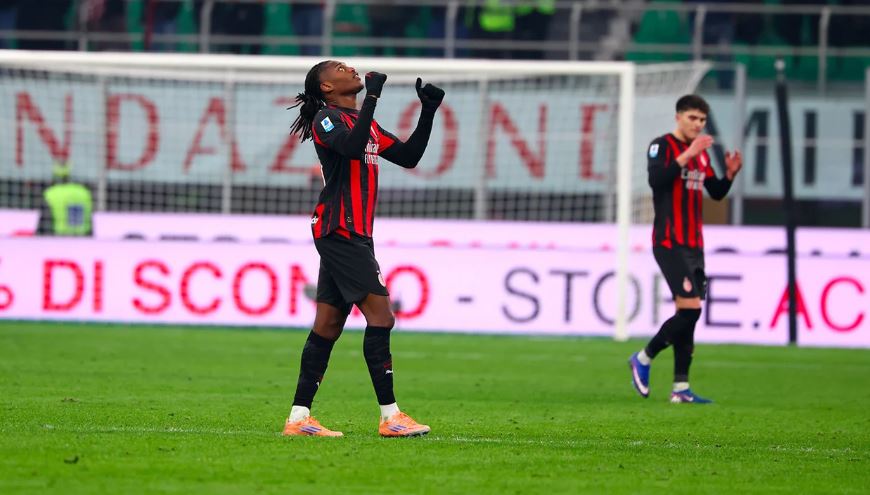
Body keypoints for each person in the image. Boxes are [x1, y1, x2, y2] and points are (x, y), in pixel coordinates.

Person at [282, 60, 444, 437]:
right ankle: (391, 417)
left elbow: (409, 156)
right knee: (382, 317)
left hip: (355, 233)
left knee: (328, 324)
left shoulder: (365, 123)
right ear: (325, 87)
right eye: (340, 68)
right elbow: (352, 150)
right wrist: (372, 95)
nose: (351, 69)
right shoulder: (326, 119)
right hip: (340, 229)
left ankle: (298, 418)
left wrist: (428, 111)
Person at [628, 95, 742, 404]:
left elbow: (715, 192)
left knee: (687, 314)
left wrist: (729, 175)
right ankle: (644, 356)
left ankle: (680, 388)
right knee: (692, 308)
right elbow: (657, 180)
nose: (698, 124)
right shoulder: (662, 146)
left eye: (702, 120)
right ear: (678, 117)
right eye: (693, 118)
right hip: (669, 241)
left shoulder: (702, 155)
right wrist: (687, 154)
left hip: (695, 244)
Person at [37, 163, 94, 237]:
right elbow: (90, 218)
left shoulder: (50, 193)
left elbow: (44, 223)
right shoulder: (84, 192)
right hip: (83, 236)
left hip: (59, 237)